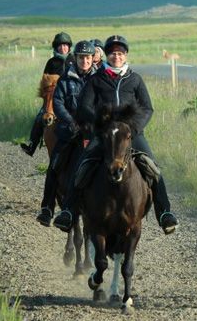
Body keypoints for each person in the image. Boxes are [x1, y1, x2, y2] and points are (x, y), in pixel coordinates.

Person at [52, 35, 179, 234]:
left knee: (153, 167)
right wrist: (101, 125)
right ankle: (68, 211)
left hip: (131, 135)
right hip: (103, 135)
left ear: (125, 55)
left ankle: (164, 213)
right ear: (106, 55)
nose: (116, 57)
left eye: (120, 53)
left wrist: (134, 128)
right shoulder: (96, 80)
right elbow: (84, 107)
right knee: (82, 165)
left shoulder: (135, 79)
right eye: (112, 53)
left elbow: (147, 108)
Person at [35, 40, 96, 226]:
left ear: (92, 59)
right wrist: (71, 122)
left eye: (87, 58)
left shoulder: (99, 78)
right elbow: (58, 103)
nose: (84, 61)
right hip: (70, 131)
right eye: (80, 58)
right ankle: (47, 208)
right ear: (75, 58)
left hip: (92, 131)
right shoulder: (65, 79)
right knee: (55, 165)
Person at [21, 32, 73, 156]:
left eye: (65, 45)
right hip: (53, 97)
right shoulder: (52, 62)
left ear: (69, 47)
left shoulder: (74, 60)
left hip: (70, 95)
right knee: (40, 116)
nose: (63, 48)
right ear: (56, 47)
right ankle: (32, 145)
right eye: (60, 45)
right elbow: (45, 80)